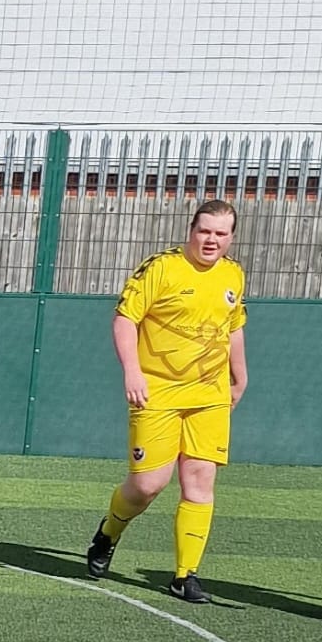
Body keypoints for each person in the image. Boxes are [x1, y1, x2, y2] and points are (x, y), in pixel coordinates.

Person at [84, 199, 249, 603]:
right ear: (191, 230)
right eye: (204, 231)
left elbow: (233, 328)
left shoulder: (232, 274)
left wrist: (240, 376)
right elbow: (125, 319)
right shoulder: (161, 268)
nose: (211, 240)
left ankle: (184, 575)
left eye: (220, 233)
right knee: (147, 485)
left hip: (209, 395)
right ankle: (109, 533)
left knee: (200, 481)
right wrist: (132, 370)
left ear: (231, 238)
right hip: (157, 391)